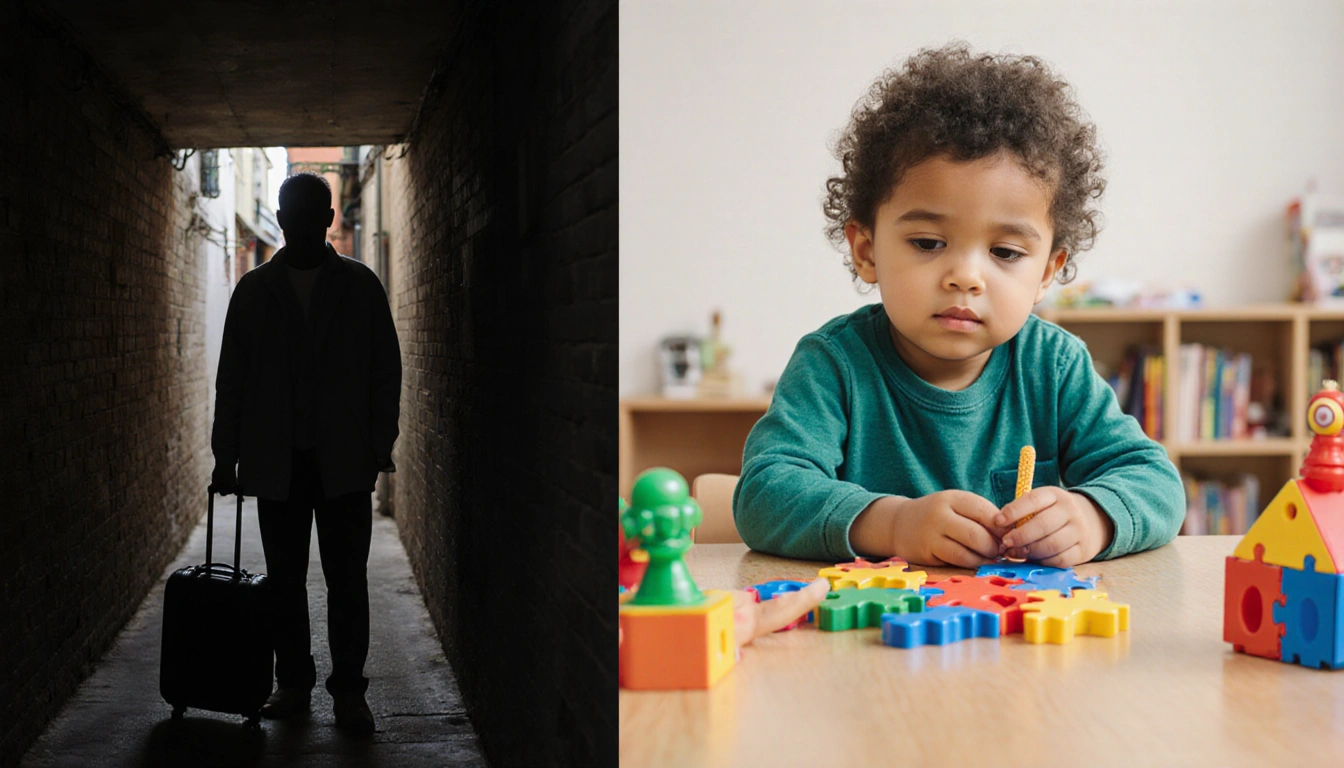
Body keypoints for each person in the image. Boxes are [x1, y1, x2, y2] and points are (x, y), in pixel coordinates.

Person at [734, 43, 1185, 569]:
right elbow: (764, 493)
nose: (966, 277)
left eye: (1005, 253)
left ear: (1046, 271)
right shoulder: (833, 364)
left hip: (1015, 641)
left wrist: (1093, 516)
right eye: (928, 243)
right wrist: (894, 524)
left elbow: (1157, 483)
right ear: (866, 250)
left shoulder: (1054, 367)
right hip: (868, 640)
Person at [210, 171, 401, 734]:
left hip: (343, 460)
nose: (297, 225)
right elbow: (233, 380)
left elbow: (384, 372)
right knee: (284, 581)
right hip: (277, 460)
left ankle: (348, 691)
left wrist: (377, 444)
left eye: (306, 215)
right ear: (281, 217)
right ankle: (293, 684)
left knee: (348, 580)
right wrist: (226, 456)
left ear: (327, 220)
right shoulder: (254, 291)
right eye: (290, 215)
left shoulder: (360, 287)